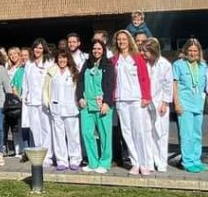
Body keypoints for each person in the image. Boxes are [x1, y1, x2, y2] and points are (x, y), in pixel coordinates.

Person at [112, 29, 152, 176]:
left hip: (136, 99)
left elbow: (145, 78)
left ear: (129, 41)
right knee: (126, 132)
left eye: (124, 39)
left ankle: (144, 163)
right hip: (121, 99)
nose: (121, 42)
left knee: (139, 131)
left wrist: (146, 96)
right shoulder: (114, 59)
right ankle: (135, 163)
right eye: (119, 39)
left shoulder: (137, 58)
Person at [76, 39, 115, 174]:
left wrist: (107, 103)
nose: (96, 51)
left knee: (105, 135)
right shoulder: (86, 64)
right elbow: (80, 82)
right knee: (87, 133)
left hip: (102, 105)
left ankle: (104, 163)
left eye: (99, 49)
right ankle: (93, 162)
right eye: (94, 49)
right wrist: (80, 97)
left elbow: (110, 85)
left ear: (103, 51)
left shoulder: (108, 66)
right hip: (87, 105)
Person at [172, 39, 208, 173]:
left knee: (197, 134)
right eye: (190, 50)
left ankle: (196, 159)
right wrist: (177, 103)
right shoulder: (178, 65)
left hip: (198, 104)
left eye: (195, 51)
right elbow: (174, 85)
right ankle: (187, 161)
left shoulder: (203, 65)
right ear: (186, 51)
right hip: (184, 104)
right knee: (186, 134)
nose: (193, 53)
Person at [43, 49, 81, 171]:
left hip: (71, 108)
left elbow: (79, 89)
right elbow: (45, 89)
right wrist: (47, 102)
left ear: (68, 59)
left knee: (73, 136)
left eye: (64, 58)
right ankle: (62, 161)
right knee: (58, 136)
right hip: (56, 107)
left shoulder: (74, 72)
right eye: (60, 58)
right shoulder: (52, 71)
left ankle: (75, 159)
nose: (62, 60)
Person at [142, 38, 173, 173]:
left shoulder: (165, 64)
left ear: (153, 51)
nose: (143, 54)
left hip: (160, 102)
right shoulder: (143, 64)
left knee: (161, 133)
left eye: (146, 51)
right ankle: (149, 162)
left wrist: (165, 102)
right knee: (147, 132)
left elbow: (168, 85)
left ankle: (161, 162)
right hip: (145, 102)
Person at [22, 39, 53, 164]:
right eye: (36, 47)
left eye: (40, 48)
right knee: (35, 129)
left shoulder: (49, 63)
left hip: (44, 101)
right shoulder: (29, 63)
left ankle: (48, 155)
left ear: (44, 49)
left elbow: (51, 82)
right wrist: (25, 95)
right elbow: (25, 82)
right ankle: (39, 154)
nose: (37, 50)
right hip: (31, 102)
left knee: (46, 128)